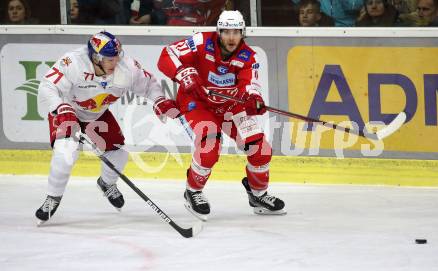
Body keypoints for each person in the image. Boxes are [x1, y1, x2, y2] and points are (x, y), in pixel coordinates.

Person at [35, 31, 179, 224]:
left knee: (119, 154)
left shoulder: (126, 67)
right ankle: (53, 197)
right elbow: (47, 87)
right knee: (66, 152)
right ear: (96, 57)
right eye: (110, 60)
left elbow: (149, 84)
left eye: (117, 57)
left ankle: (106, 183)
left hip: (97, 115)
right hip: (68, 113)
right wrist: (61, 107)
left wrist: (159, 100)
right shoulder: (73, 63)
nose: (116, 62)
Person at [157, 10, 286, 221]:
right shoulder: (201, 41)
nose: (231, 37)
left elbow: (250, 84)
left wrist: (253, 99)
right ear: (219, 32)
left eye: (236, 32)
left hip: (231, 108)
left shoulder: (248, 56)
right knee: (209, 149)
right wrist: (184, 74)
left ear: (243, 33)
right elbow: (167, 54)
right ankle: (193, 191)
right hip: (198, 104)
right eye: (227, 31)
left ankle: (258, 195)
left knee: (260, 149)